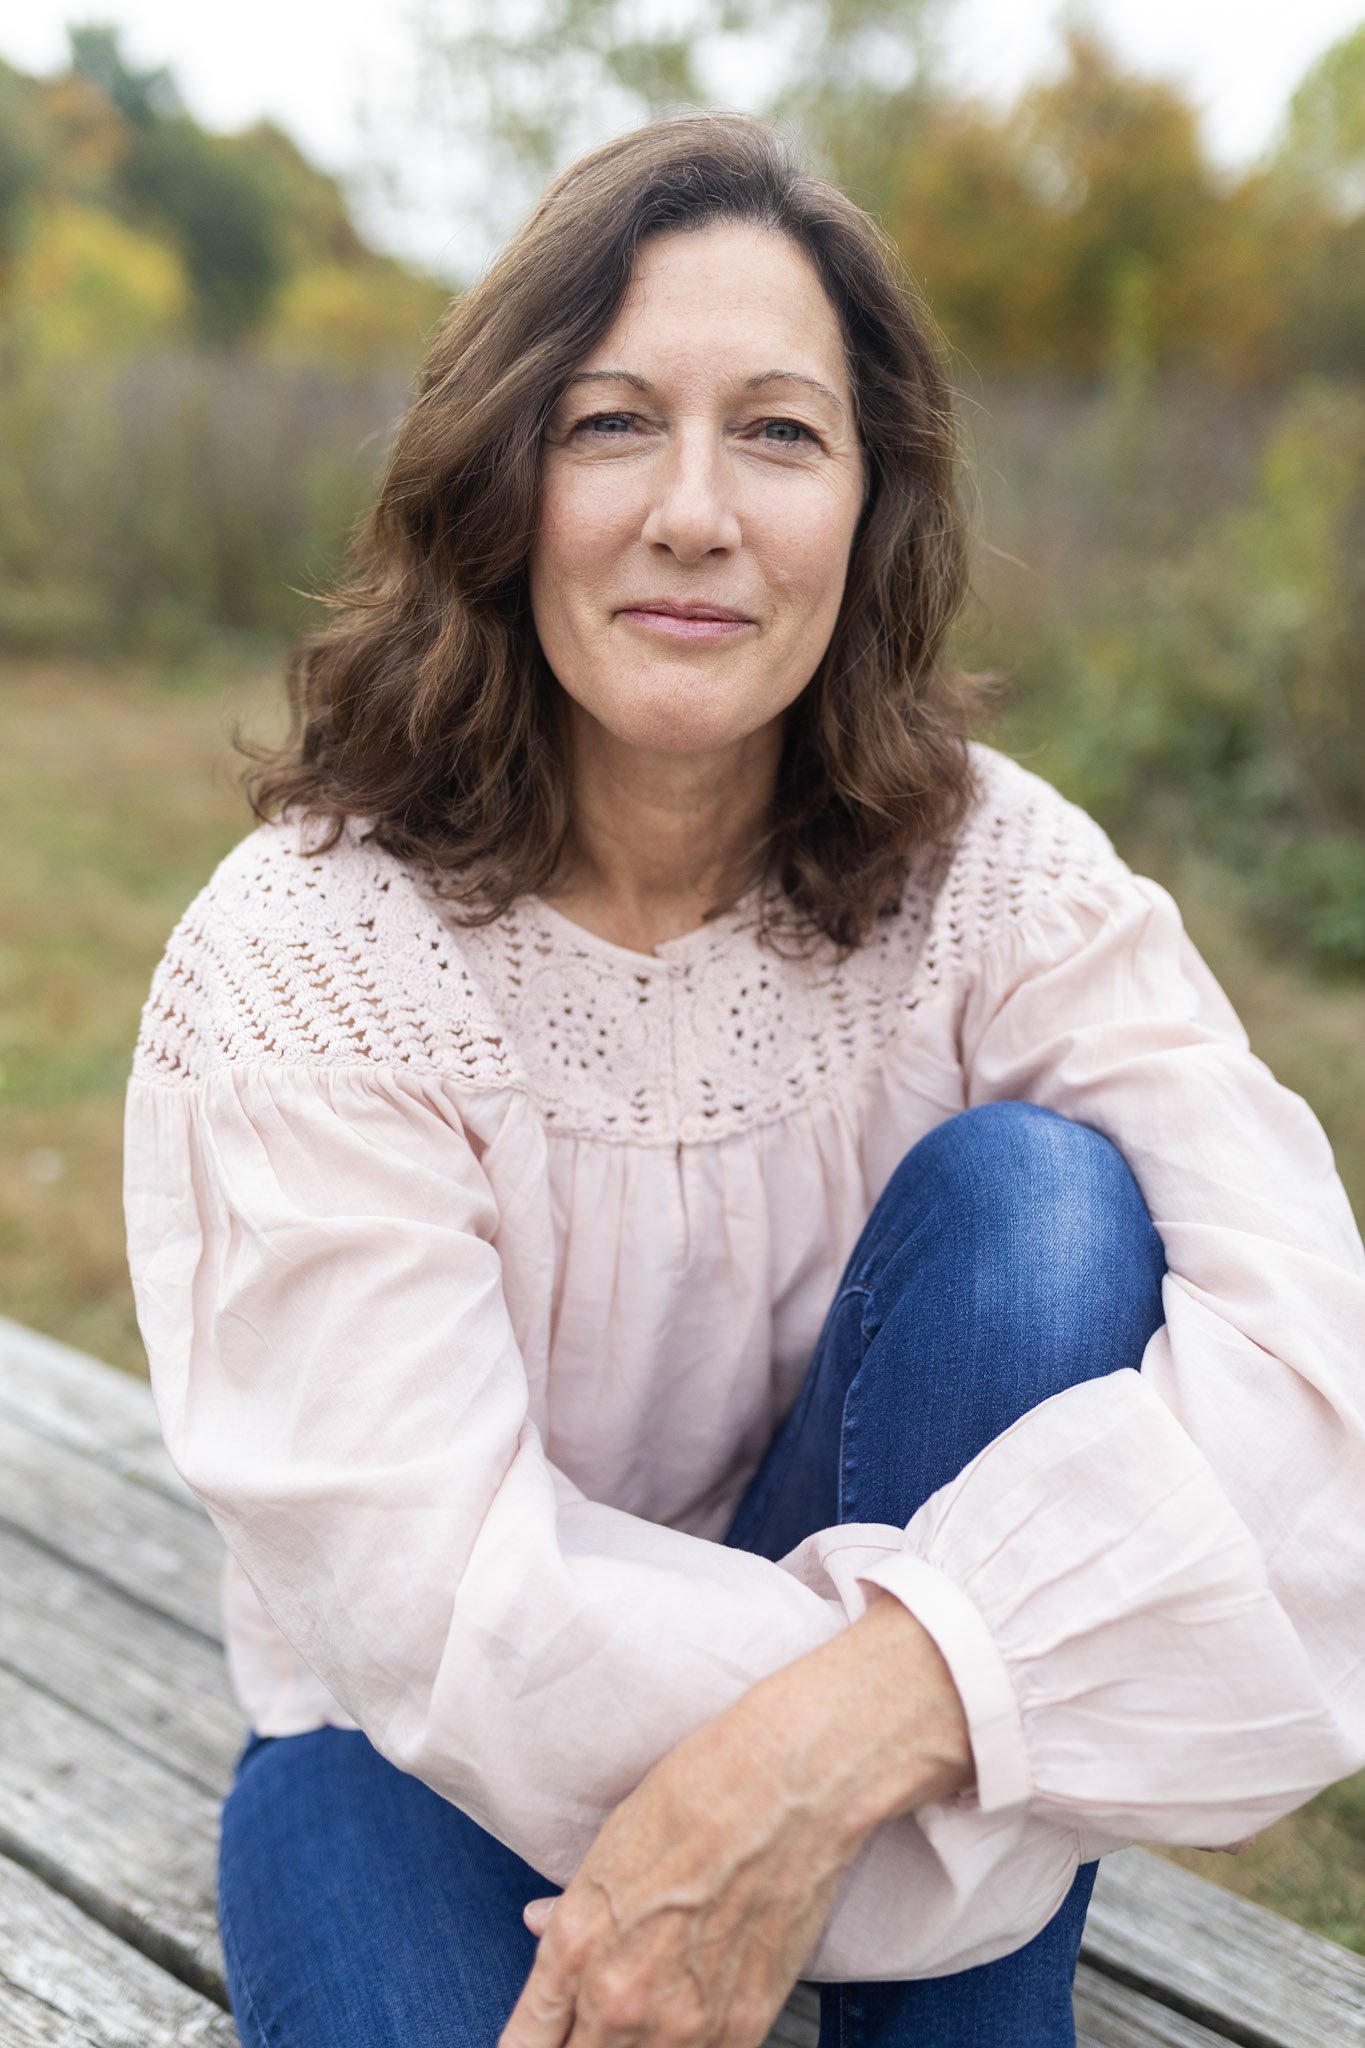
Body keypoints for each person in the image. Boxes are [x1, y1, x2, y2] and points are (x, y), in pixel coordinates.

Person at [122, 112, 1365, 2048]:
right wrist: (965, 1690)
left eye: (778, 433)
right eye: (612, 422)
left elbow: (1321, 1389)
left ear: (869, 507)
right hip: (420, 1765)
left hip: (912, 1733)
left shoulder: (996, 880)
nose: (694, 510)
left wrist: (873, 1715)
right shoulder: (312, 954)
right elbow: (442, 1608)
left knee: (1040, 1203)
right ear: (499, 477)